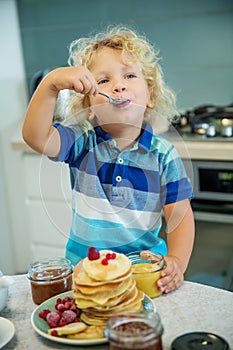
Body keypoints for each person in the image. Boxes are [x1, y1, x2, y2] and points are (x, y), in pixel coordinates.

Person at [22, 25, 195, 294]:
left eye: (129, 75)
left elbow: (180, 217)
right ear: (89, 107)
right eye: (103, 81)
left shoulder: (164, 155)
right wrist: (51, 84)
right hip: (86, 275)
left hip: (144, 275)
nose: (118, 85)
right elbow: (36, 137)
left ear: (149, 95)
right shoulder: (81, 142)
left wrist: (176, 262)